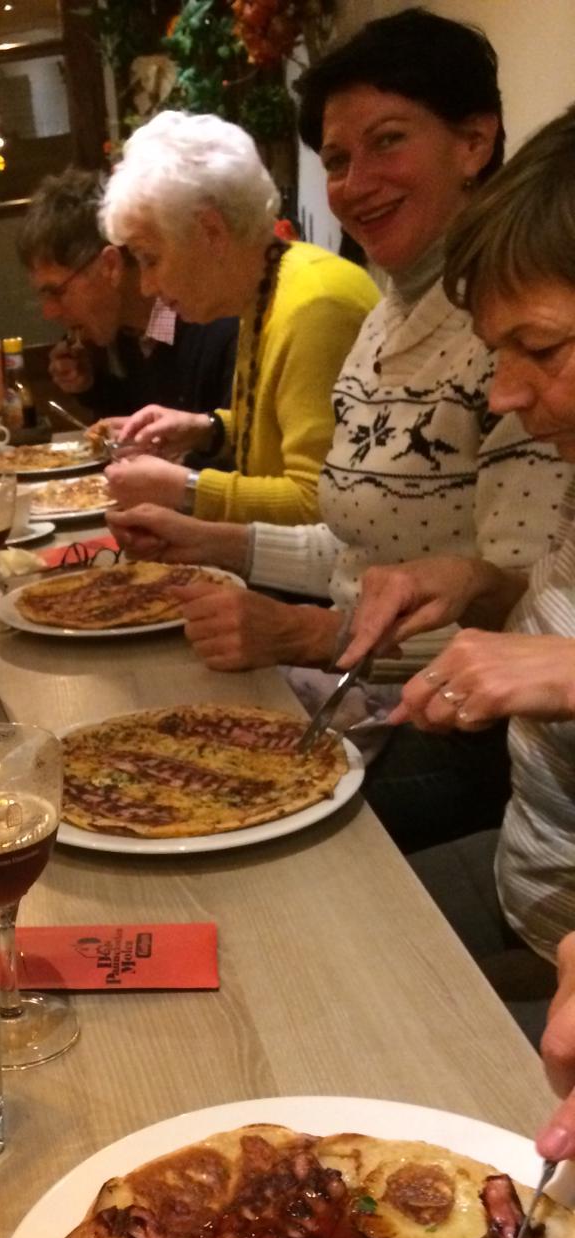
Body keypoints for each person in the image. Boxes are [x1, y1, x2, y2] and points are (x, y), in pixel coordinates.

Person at [109, 9, 571, 854]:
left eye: (388, 141)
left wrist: (309, 633)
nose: (355, 184)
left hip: (457, 733)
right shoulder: (386, 315)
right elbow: (364, 546)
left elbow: (524, 634)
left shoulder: (485, 333)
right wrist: (209, 538)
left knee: (218, 826)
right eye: (337, 160)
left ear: (474, 142)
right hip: (379, 682)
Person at [332, 104, 575, 1155]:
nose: (507, 395)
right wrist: (476, 582)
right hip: (532, 869)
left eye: (540, 348)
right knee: (305, 946)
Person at [98, 110, 379, 527]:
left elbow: (322, 504)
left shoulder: (314, 306)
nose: (146, 286)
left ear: (211, 231)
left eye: (150, 258)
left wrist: (184, 487)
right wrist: (209, 428)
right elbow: (281, 435)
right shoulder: (267, 287)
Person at [17, 168, 237, 427]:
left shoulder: (215, 325)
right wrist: (91, 386)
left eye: (56, 292)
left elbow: (231, 442)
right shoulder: (132, 336)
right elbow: (145, 422)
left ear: (110, 266)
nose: (49, 312)